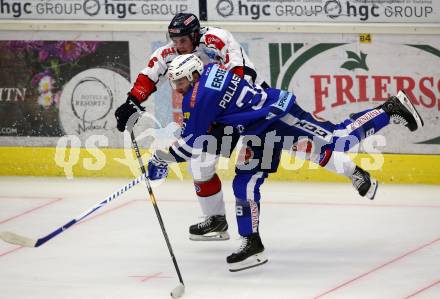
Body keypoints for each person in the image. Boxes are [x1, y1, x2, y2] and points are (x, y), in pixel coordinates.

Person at [145, 54, 424, 272]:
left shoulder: (202, 94)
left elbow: (193, 144)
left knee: (337, 140)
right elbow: (211, 131)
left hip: (280, 116)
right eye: (175, 82)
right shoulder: (209, 74)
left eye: (180, 81)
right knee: (244, 183)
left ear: (193, 74)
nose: (177, 87)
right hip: (256, 130)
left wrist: (161, 158)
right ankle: (252, 243)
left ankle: (390, 110)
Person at [115, 13, 264, 241]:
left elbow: (241, 73)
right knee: (200, 163)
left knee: (280, 150)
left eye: (183, 40)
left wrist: (220, 106)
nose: (178, 46)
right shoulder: (171, 52)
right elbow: (150, 75)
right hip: (211, 114)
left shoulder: (216, 39)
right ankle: (216, 221)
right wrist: (131, 102)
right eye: (174, 41)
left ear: (195, 35)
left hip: (242, 106)